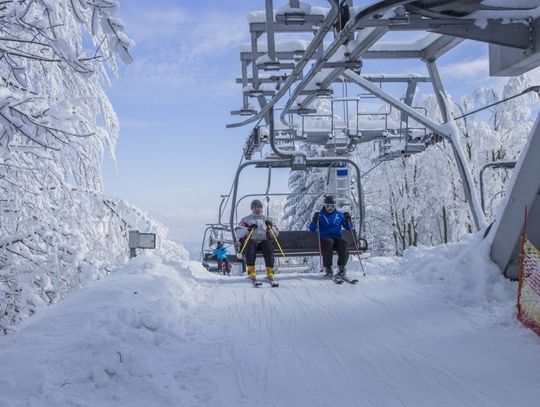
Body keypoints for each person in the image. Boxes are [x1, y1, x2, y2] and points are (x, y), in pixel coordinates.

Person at [308, 195, 353, 278]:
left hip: (336, 238)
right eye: (328, 206)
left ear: (335, 206)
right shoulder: (320, 215)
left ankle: (341, 268)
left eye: (332, 206)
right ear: (325, 206)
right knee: (329, 242)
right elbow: (312, 229)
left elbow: (348, 227)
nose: (330, 208)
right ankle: (328, 268)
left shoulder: (339, 215)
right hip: (324, 239)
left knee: (343, 242)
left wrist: (348, 220)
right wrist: (314, 220)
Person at [236, 199, 279, 280]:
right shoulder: (246, 220)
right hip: (252, 242)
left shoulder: (268, 219)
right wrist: (248, 229)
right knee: (250, 244)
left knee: (268, 246)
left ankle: (270, 272)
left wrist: (270, 228)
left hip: (264, 241)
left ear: (261, 208)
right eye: (255, 207)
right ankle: (251, 272)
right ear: (252, 209)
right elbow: (238, 233)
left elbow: (276, 234)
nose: (257, 209)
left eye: (259, 207)